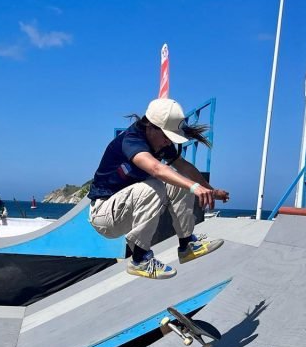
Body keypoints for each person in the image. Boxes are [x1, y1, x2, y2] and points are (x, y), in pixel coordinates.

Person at [87, 97, 229, 280]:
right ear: (150, 127)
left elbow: (185, 167)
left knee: (179, 182)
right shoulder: (131, 141)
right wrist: (195, 187)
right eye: (166, 137)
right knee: (156, 184)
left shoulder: (158, 141)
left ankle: (187, 245)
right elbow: (157, 169)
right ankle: (140, 260)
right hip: (104, 216)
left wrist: (210, 190)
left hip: (125, 210)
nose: (168, 143)